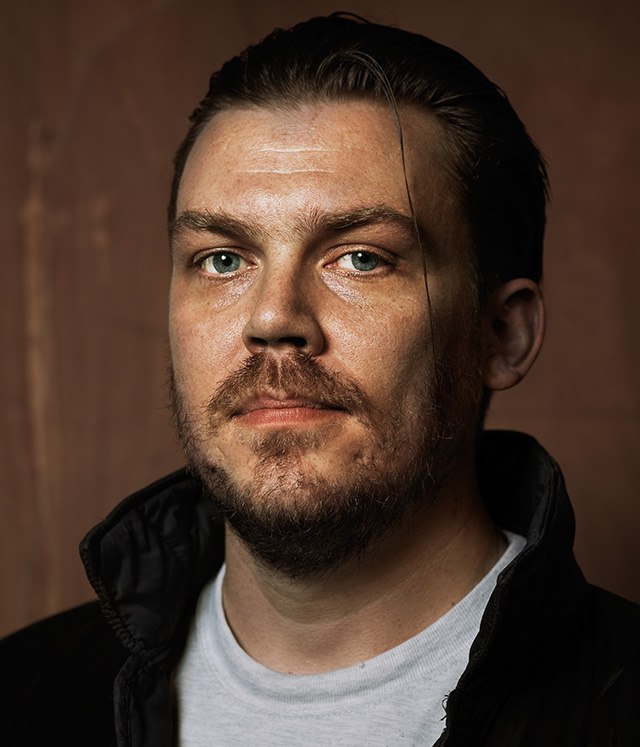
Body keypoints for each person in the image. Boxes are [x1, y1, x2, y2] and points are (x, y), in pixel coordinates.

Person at [3, 13, 639, 747]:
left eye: (361, 257)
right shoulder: (23, 698)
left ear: (502, 333)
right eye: (222, 259)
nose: (273, 317)